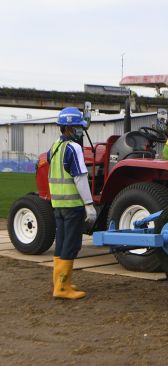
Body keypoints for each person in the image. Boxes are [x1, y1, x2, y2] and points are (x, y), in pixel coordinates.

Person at [48, 107, 97, 300]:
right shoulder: (74, 148)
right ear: (69, 127)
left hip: (58, 205)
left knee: (61, 243)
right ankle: (62, 288)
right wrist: (89, 205)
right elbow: (80, 178)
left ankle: (60, 283)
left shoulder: (54, 147)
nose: (80, 131)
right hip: (72, 206)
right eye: (78, 127)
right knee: (72, 244)